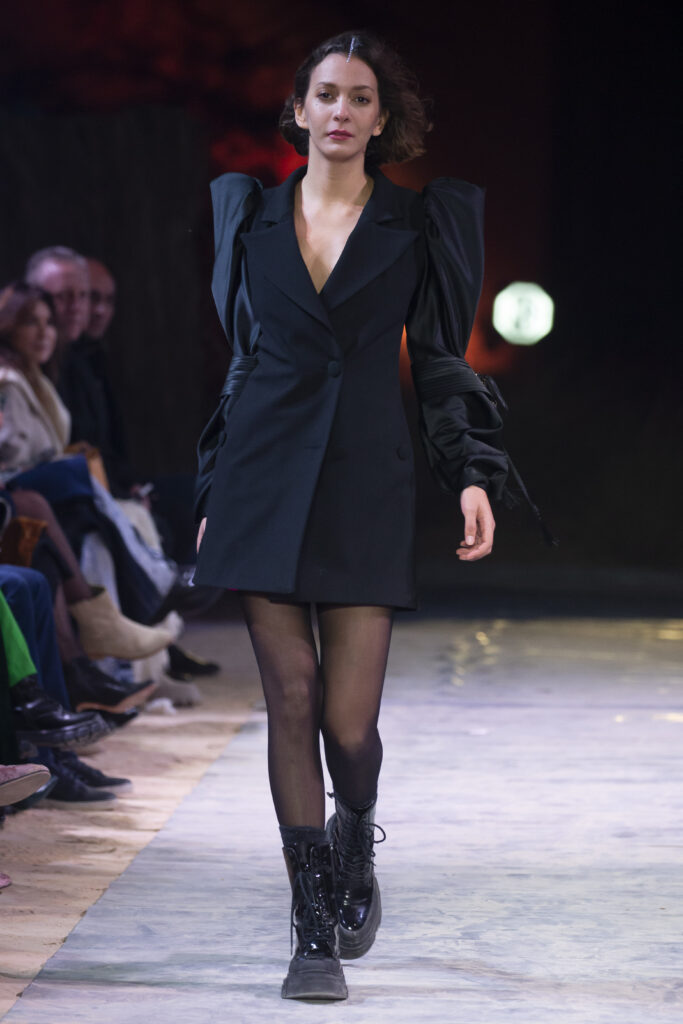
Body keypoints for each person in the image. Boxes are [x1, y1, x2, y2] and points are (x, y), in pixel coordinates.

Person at [194, 31, 509, 1002]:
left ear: (382, 118)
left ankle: (354, 829)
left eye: (358, 97)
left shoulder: (419, 222)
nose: (339, 110)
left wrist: (470, 472)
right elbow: (244, 360)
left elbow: (441, 360)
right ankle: (310, 931)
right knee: (290, 698)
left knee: (346, 723)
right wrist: (211, 489)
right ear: (298, 111)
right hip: (261, 476)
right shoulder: (249, 213)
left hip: (366, 478)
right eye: (324, 94)